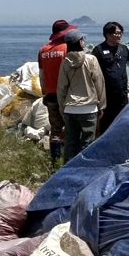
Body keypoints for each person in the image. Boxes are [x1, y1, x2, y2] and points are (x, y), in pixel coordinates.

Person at [56, 29, 105, 164]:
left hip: (70, 108)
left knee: (70, 142)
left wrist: (62, 108)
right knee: (88, 141)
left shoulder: (65, 62)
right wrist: (101, 105)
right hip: (89, 107)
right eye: (83, 39)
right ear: (80, 42)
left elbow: (61, 87)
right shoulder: (91, 59)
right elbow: (99, 83)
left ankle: (68, 169)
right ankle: (85, 168)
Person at [38, 19, 76, 165]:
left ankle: (55, 161)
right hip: (67, 94)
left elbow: (41, 74)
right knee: (71, 128)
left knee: (55, 129)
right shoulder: (67, 48)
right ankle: (70, 159)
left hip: (51, 95)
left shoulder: (43, 50)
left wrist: (44, 92)